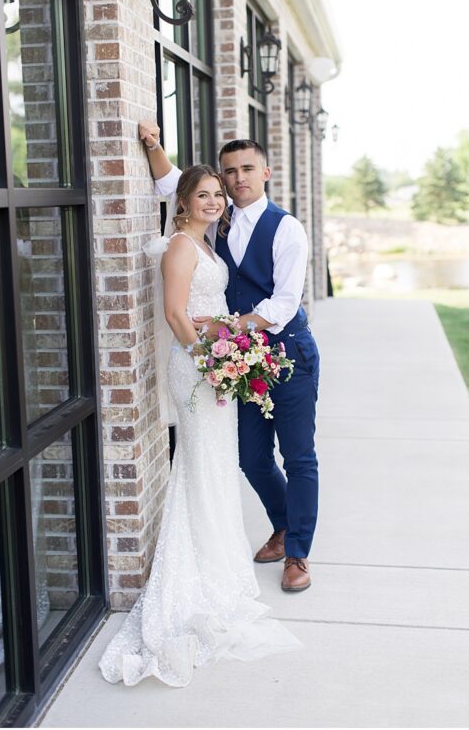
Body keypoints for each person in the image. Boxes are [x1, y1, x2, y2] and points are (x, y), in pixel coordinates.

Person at [98, 166, 301, 686]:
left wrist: (226, 345)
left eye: (218, 194)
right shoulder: (182, 248)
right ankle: (203, 571)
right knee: (202, 461)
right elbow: (173, 312)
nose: (214, 201)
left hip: (214, 359)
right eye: (202, 195)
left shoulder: (205, 245)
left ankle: (220, 562)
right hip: (197, 367)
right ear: (183, 203)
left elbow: (205, 309)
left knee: (210, 463)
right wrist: (210, 358)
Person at [138, 122, 321, 594]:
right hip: (234, 359)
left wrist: (228, 328)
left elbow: (284, 303)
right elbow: (174, 184)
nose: (237, 179)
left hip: (286, 353)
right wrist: (154, 146)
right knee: (251, 456)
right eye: (229, 172)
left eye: (246, 170)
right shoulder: (214, 221)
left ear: (266, 172)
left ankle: (297, 552)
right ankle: (282, 525)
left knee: (298, 457)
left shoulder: (287, 228)